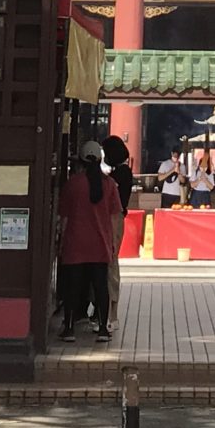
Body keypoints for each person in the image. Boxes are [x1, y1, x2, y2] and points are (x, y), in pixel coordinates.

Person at [56, 142, 122, 340]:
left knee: (73, 287)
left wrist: (60, 243)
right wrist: (113, 243)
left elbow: (64, 218)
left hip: (75, 243)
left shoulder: (73, 184)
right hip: (100, 243)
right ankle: (103, 328)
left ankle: (69, 329)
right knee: (101, 286)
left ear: (81, 161)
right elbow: (115, 218)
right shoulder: (109, 185)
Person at [101, 134, 135, 322]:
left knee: (111, 262)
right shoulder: (121, 172)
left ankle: (111, 312)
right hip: (116, 218)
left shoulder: (120, 174)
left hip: (113, 220)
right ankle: (109, 311)